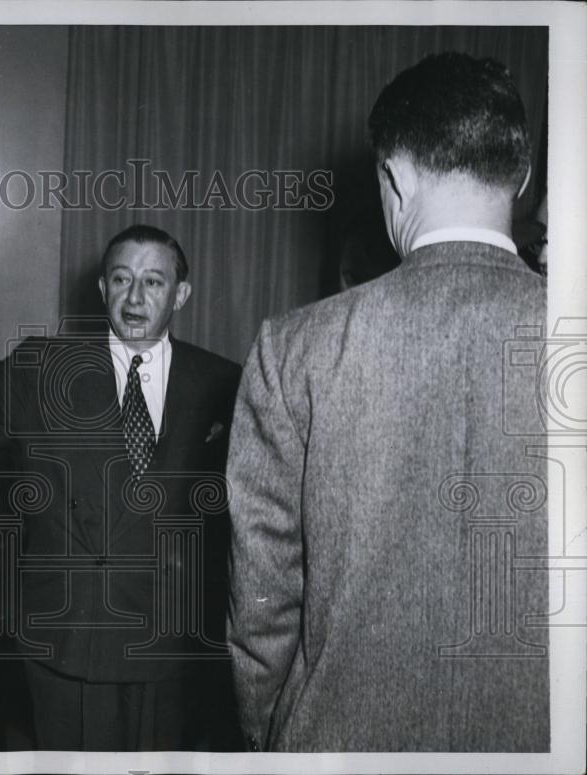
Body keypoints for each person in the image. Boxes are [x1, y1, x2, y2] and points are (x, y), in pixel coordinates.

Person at [227, 52, 549, 752]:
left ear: (394, 180)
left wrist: (268, 736)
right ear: (521, 176)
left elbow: (262, 609)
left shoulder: (294, 348)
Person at [0, 224, 241, 751]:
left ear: (181, 294)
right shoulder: (46, 369)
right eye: (121, 279)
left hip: (172, 645)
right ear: (102, 290)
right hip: (69, 638)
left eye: (154, 282)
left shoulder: (223, 383)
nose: (135, 297)